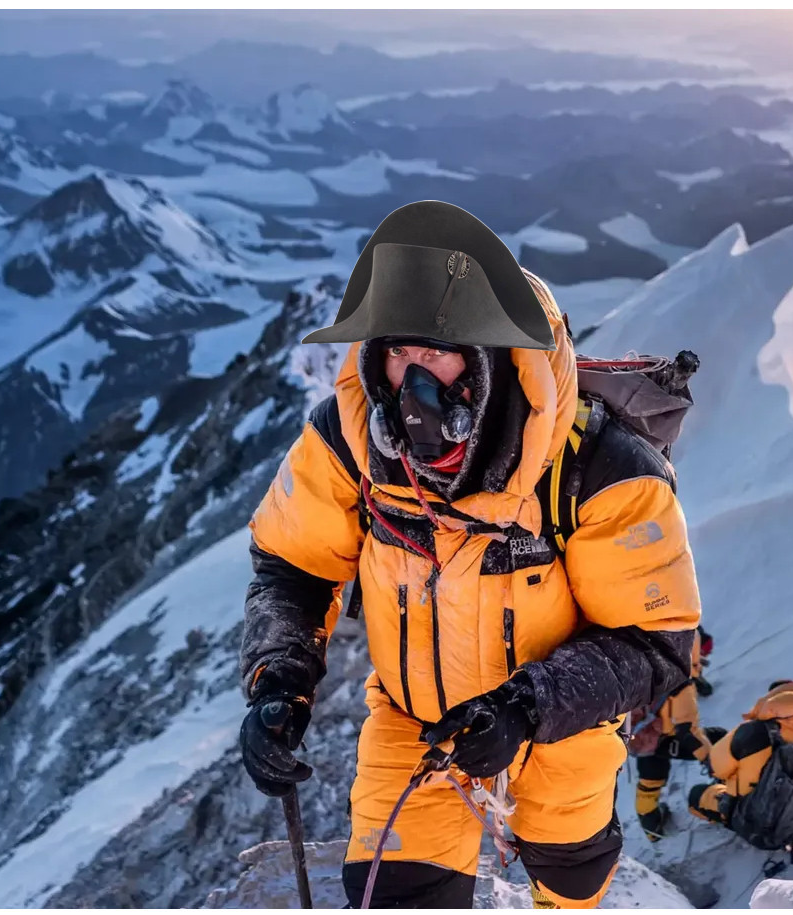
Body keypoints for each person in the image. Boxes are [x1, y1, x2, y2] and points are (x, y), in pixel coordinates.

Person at [236, 200, 702, 909]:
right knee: (395, 895)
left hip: (556, 730)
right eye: (398, 351)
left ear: (490, 358)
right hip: (411, 718)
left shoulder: (599, 467)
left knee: (570, 874)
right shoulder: (351, 440)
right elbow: (293, 565)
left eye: (437, 351)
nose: (413, 380)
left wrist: (526, 706)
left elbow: (657, 643)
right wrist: (280, 679)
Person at [688, 680, 793, 856]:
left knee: (697, 794)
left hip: (746, 820)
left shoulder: (749, 731)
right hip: (789, 829)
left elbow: (717, 768)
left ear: (770, 700)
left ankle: (720, 818)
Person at [631, 627, 725, 841]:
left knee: (649, 783)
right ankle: (727, 795)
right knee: (720, 738)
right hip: (666, 738)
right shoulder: (682, 685)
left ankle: (652, 831)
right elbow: (688, 732)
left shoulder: (651, 667)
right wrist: (711, 761)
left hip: (643, 739)